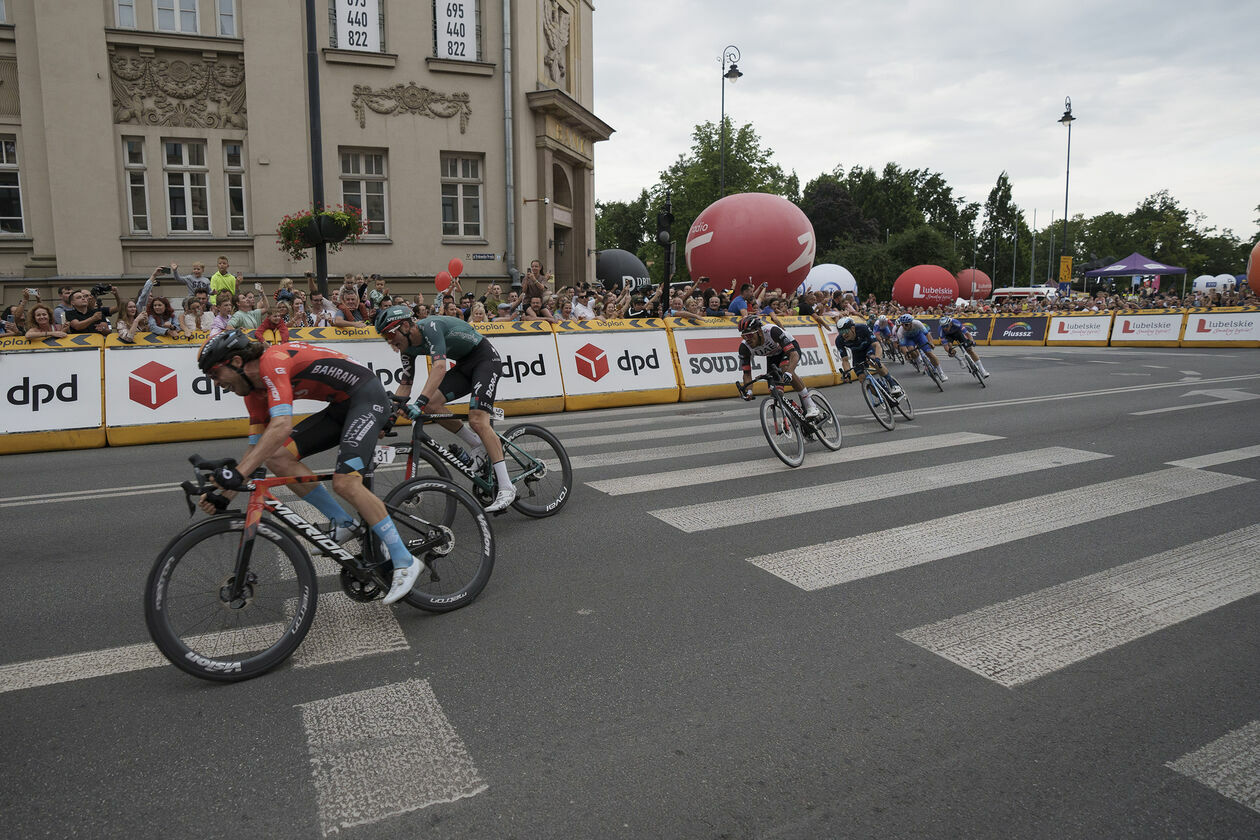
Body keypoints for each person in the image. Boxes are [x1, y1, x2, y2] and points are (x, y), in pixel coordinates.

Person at [195, 330, 423, 605]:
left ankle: (405, 560)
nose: (216, 383)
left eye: (215, 374)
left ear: (235, 361)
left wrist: (236, 475)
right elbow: (256, 451)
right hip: (341, 406)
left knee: (345, 482)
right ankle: (343, 521)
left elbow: (281, 426)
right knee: (277, 457)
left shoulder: (272, 360)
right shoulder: (253, 392)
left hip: (367, 396)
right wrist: (227, 489)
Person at [375, 305, 517, 512]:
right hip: (464, 365)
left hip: (485, 359)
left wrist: (419, 402)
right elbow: (405, 385)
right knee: (433, 405)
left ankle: (506, 487)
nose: (389, 341)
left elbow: (439, 368)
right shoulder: (406, 349)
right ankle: (477, 444)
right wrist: (390, 417)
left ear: (405, 325)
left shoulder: (430, 327)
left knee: (477, 420)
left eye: (390, 334)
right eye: (385, 337)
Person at [734, 314, 820, 418]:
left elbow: (794, 355)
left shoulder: (772, 331)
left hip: (789, 350)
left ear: (759, 331)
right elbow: (747, 373)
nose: (747, 339)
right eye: (744, 336)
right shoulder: (744, 347)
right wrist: (749, 391)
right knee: (775, 392)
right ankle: (797, 415)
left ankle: (810, 405)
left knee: (785, 369)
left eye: (750, 335)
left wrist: (789, 372)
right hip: (772, 356)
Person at [835, 316, 902, 397]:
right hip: (857, 354)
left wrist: (877, 358)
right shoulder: (839, 340)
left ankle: (893, 385)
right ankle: (885, 397)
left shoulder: (862, 328)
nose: (844, 334)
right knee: (862, 379)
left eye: (845, 331)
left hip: (869, 347)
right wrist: (847, 373)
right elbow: (845, 360)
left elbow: (877, 345)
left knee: (873, 360)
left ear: (852, 328)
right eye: (841, 332)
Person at [895, 313, 946, 380]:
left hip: (919, 336)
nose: (904, 326)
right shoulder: (900, 332)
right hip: (909, 339)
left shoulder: (917, 323)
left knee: (929, 354)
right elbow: (903, 346)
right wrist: (906, 354)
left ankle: (941, 372)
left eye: (906, 324)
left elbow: (927, 334)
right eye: (902, 324)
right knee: (910, 349)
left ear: (911, 323)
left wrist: (931, 343)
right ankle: (917, 358)